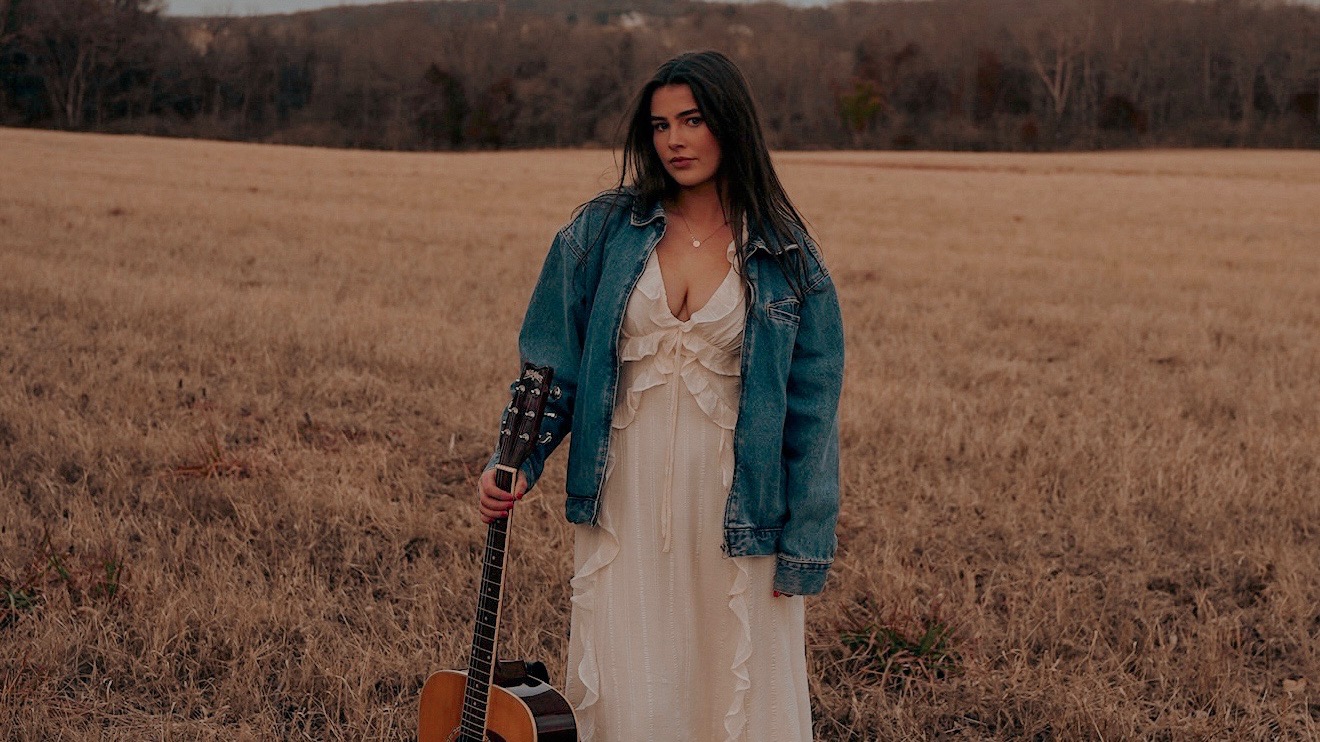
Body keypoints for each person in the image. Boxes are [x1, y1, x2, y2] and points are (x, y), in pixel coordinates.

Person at [477, 50, 844, 742]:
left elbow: (813, 413)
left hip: (740, 512)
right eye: (660, 125)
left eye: (693, 120)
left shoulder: (788, 256)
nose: (674, 139)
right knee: (633, 684)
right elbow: (550, 364)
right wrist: (513, 460)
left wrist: (802, 545)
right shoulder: (601, 233)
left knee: (733, 693)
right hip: (624, 503)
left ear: (729, 125)